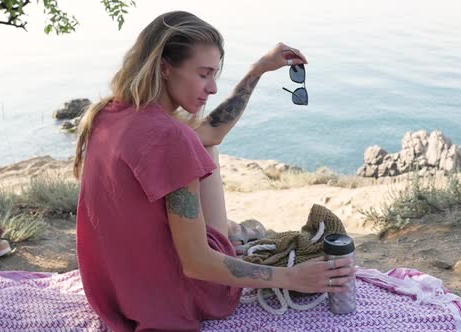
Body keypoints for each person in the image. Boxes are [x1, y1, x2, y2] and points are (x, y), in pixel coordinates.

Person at [73, 10, 355, 332]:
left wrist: (259, 70)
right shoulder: (170, 139)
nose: (213, 88)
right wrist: (291, 277)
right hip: (176, 296)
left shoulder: (110, 114)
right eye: (204, 74)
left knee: (202, 143)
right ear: (165, 67)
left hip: (116, 292)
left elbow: (211, 134)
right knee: (197, 147)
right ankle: (235, 234)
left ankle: (235, 231)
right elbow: (197, 263)